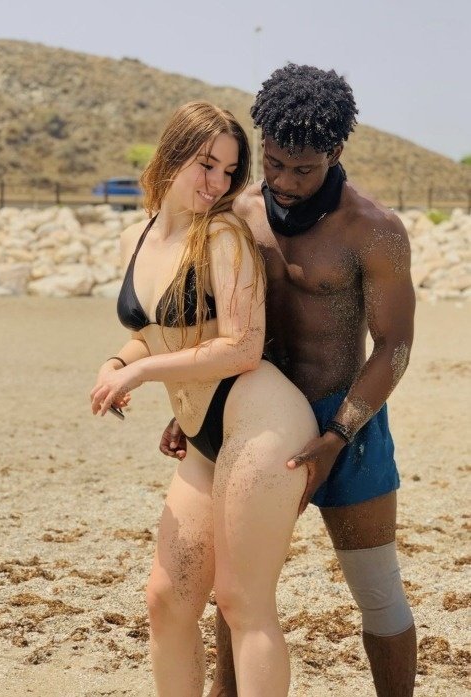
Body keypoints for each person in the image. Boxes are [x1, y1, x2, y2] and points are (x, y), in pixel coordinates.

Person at [161, 65, 417, 697]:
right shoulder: (239, 211)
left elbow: (395, 346)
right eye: (274, 163)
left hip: (347, 419)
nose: (284, 181)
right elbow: (222, 325)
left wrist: (336, 436)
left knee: (378, 591)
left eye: (303, 169)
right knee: (237, 587)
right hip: (253, 413)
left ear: (336, 151)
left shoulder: (374, 229)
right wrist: (193, 406)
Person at [90, 101, 318, 696]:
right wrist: (120, 362)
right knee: (166, 598)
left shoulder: (221, 236)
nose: (216, 182)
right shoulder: (135, 238)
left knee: (243, 602)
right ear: (171, 154)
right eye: (205, 164)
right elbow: (152, 332)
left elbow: (242, 347)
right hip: (202, 437)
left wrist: (143, 374)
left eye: (228, 171)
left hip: (261, 420)